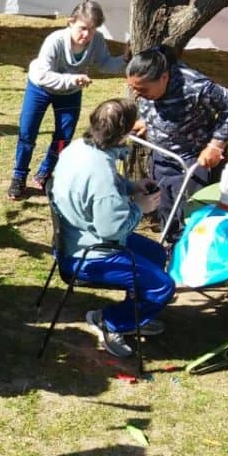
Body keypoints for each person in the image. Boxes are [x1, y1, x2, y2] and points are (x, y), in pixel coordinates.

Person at [51, 98, 176, 358]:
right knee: (162, 286)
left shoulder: (79, 148)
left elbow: (103, 185)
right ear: (124, 132)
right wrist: (140, 207)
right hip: (89, 254)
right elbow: (112, 229)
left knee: (156, 254)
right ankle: (110, 321)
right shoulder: (102, 177)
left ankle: (134, 315)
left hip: (75, 237)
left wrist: (131, 186)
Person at [8, 1, 126, 200]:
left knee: (63, 137)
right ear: (70, 22)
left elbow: (106, 64)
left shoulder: (96, 40)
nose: (87, 35)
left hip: (70, 92)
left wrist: (125, 59)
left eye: (92, 29)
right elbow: (44, 75)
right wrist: (73, 79)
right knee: (28, 133)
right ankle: (18, 177)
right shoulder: (55, 41)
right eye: (82, 28)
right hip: (40, 88)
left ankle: (45, 174)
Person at [127, 46, 228, 242]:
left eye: (142, 89)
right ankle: (171, 252)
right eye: (133, 88)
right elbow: (155, 105)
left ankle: (192, 259)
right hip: (162, 158)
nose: (137, 95)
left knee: (193, 218)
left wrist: (216, 145)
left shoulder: (195, 85)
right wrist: (149, 121)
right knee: (165, 211)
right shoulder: (149, 86)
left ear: (164, 77)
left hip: (194, 162)